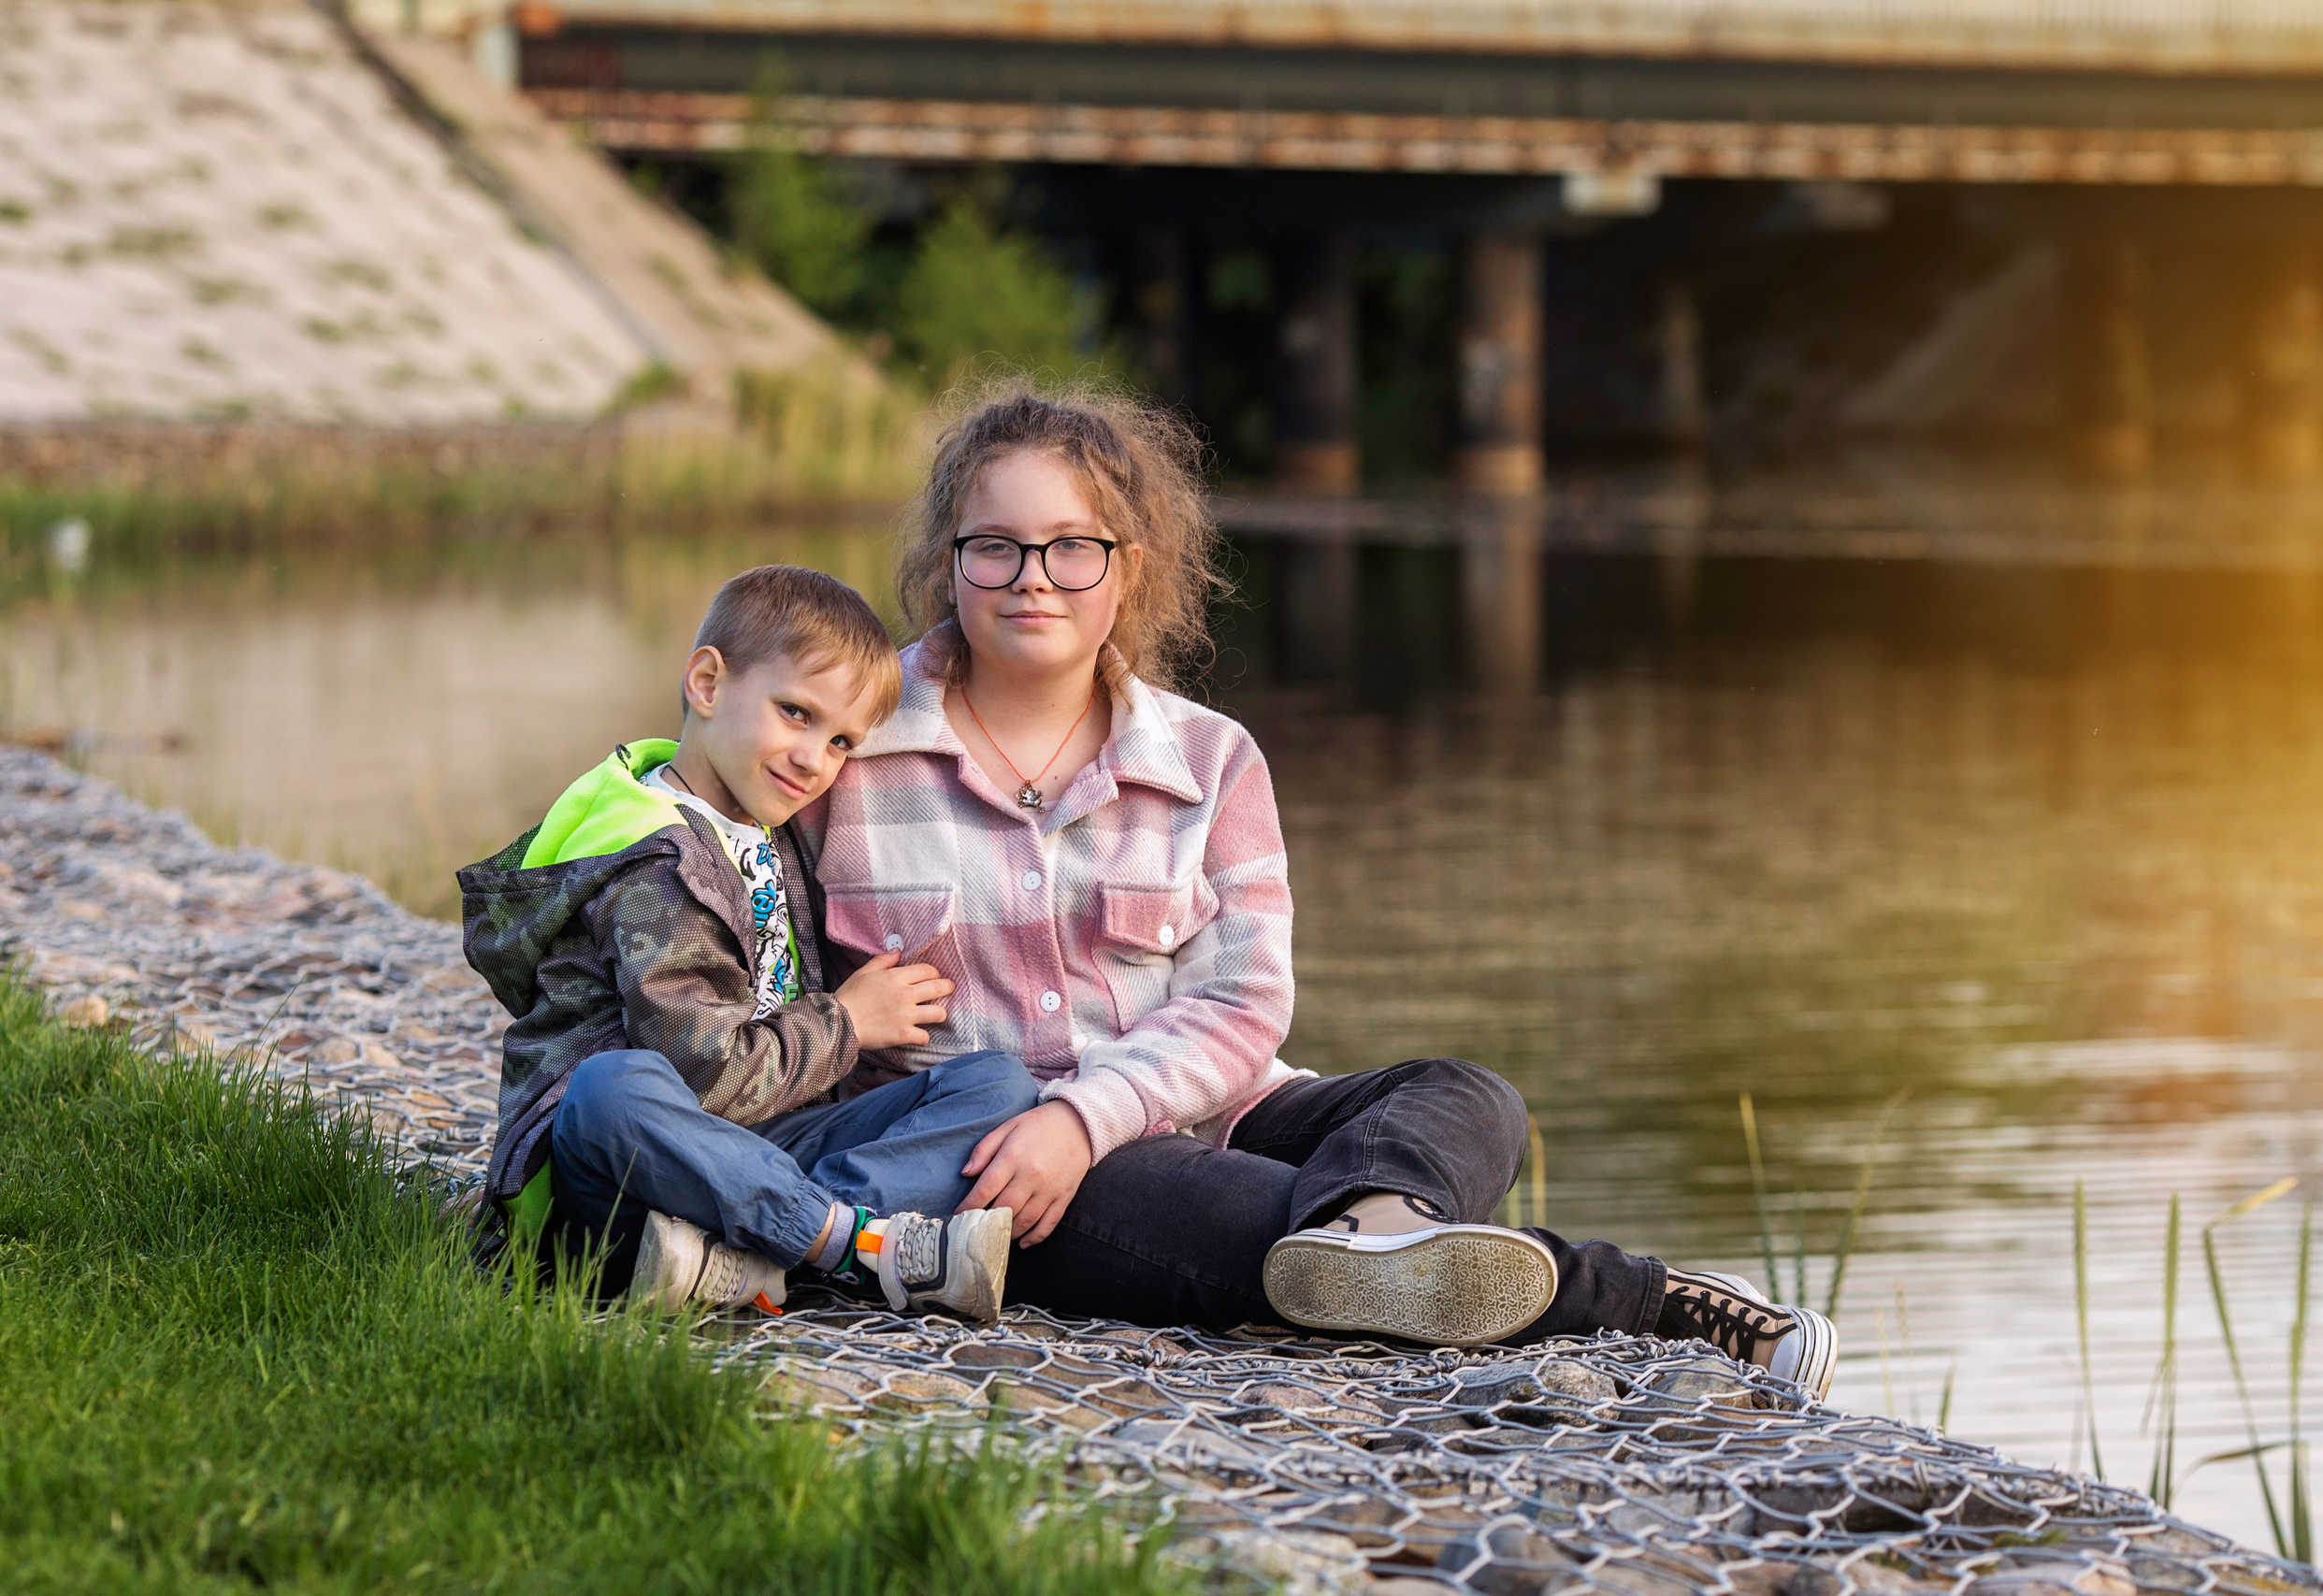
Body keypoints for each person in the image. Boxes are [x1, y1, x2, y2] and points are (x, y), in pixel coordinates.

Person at [803, 389, 1840, 1397]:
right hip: (1000, 1172)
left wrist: (1090, 1113)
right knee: (1249, 1215)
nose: (1034, 578)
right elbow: (763, 971)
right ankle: (1651, 1305)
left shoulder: (1211, 759)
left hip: (1213, 1113)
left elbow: (1245, 1001)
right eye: (996, 545)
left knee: (1470, 1096)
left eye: (1074, 546)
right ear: (949, 561)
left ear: (1132, 568)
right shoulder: (847, 754)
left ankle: (1375, 1232)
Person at [459, 565, 1032, 1321]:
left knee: (997, 1087)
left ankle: (749, 1259)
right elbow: (700, 1079)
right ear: (706, 683)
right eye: (794, 713)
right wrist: (848, 1023)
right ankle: (843, 1241)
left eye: (839, 741)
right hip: (624, 1181)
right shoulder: (654, 862)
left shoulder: (761, 828)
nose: (813, 759)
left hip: (759, 1149)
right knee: (609, 1089)